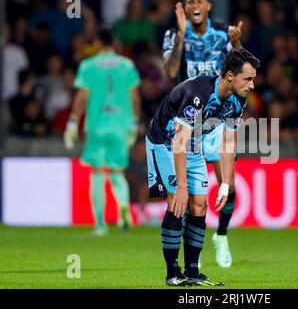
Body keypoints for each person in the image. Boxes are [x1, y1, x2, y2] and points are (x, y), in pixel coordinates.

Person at [147, 48, 259, 286]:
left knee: (199, 205)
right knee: (177, 202)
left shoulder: (238, 100)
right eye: (248, 79)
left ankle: (192, 271)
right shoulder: (198, 93)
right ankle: (172, 273)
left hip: (193, 144)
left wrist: (226, 183)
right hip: (165, 142)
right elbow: (178, 140)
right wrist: (182, 186)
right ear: (230, 75)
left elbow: (228, 141)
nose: (252, 85)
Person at [162, 0, 243, 269]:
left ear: (209, 5)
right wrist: (182, 37)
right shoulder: (174, 35)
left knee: (227, 185)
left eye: (199, 1)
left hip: (216, 118)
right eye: (190, 2)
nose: (195, 5)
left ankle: (221, 236)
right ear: (185, 8)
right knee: (184, 197)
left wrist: (238, 43)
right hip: (188, 118)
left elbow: (240, 70)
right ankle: (185, 263)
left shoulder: (223, 34)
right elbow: (171, 72)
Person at [64, 28, 141, 236]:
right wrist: (134, 123)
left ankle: (100, 224)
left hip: (97, 125)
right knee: (117, 173)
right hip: (121, 126)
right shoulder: (126, 65)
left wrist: (72, 122)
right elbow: (134, 97)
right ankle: (123, 214)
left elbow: (82, 96)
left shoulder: (88, 65)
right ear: (113, 43)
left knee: (98, 172)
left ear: (97, 43)